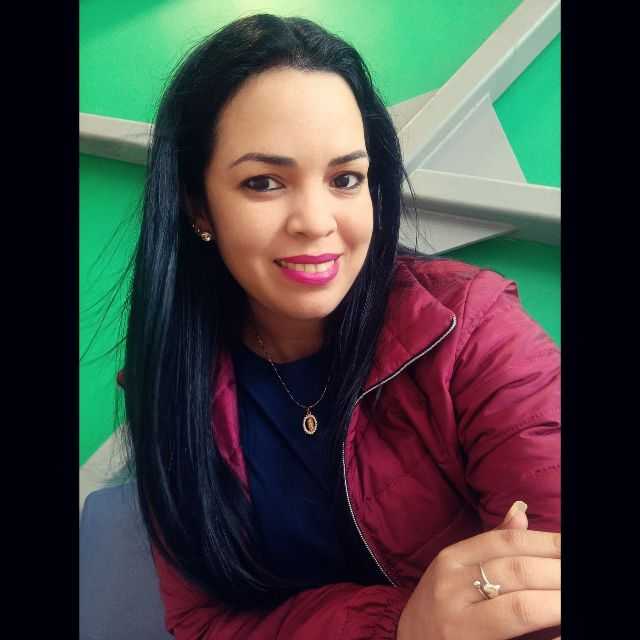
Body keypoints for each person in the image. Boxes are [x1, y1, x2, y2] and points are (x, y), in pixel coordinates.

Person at [116, 13, 561, 640]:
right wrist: (402, 628)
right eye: (264, 182)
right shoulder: (169, 379)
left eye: (345, 179)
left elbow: (550, 586)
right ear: (198, 206)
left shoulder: (475, 329)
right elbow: (204, 623)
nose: (316, 221)